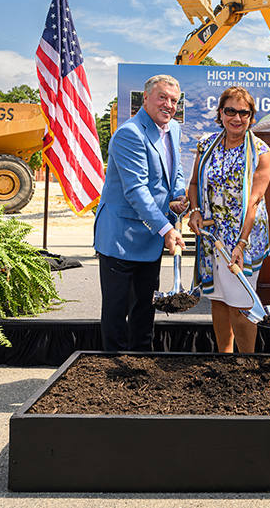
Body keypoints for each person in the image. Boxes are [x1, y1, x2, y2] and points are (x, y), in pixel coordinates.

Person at [94, 74, 187, 352]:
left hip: (151, 236)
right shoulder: (129, 134)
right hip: (121, 237)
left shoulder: (175, 129)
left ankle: (140, 365)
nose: (168, 105)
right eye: (162, 97)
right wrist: (167, 229)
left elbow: (175, 170)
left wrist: (178, 194)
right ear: (145, 98)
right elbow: (136, 190)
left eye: (173, 100)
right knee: (116, 313)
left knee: (144, 310)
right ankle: (112, 370)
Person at [187, 86, 270, 353]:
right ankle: (225, 360)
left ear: (252, 116)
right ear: (220, 113)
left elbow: (253, 201)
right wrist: (195, 210)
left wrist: (241, 244)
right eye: (230, 111)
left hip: (243, 237)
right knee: (219, 300)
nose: (237, 118)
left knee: (241, 301)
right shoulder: (205, 144)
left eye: (243, 112)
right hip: (213, 238)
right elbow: (193, 184)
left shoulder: (260, 150)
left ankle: (247, 362)